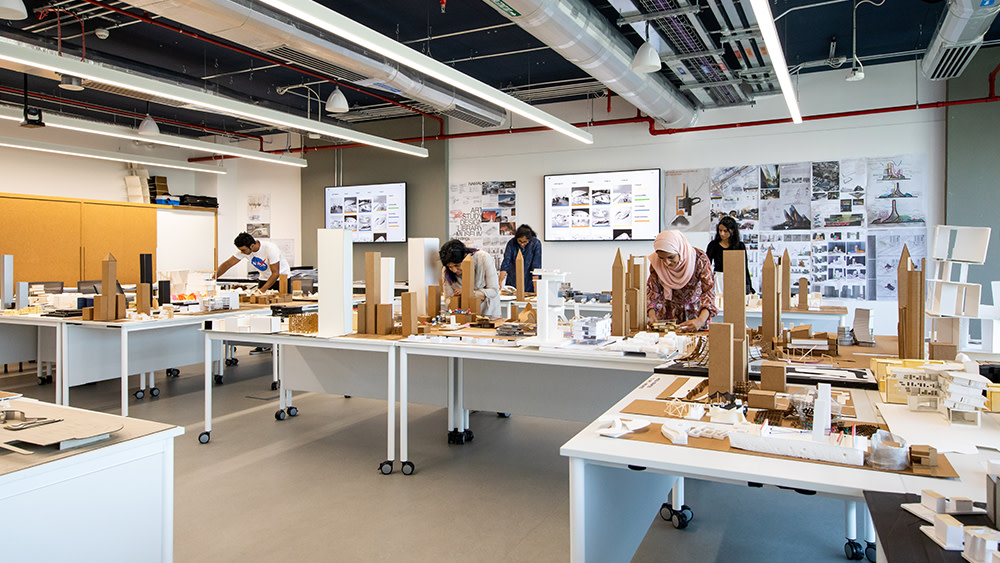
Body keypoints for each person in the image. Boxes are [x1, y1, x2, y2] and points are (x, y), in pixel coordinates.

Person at [646, 230, 717, 332]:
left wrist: (700, 321)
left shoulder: (699, 260)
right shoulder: (656, 263)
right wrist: (652, 316)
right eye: (662, 258)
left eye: (671, 257)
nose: (667, 263)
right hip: (669, 321)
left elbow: (708, 292)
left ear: (680, 250)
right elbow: (653, 292)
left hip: (696, 319)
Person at [439, 239, 500, 318]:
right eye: (450, 267)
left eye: (457, 265)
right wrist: (455, 300)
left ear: (464, 256)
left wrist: (469, 293)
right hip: (464, 315)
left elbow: (494, 290)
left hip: (488, 313)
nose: (454, 270)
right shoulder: (446, 271)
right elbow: (448, 299)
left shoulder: (483, 258)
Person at [215, 232, 290, 291]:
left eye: (243, 250)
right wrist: (213, 278)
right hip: (264, 278)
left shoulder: (270, 249)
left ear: (252, 246)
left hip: (281, 279)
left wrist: (262, 290)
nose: (242, 252)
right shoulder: (245, 250)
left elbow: (275, 273)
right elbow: (227, 264)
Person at [705, 216, 755, 294]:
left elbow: (744, 268)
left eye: (725, 231)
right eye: (720, 230)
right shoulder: (713, 245)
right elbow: (706, 266)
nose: (722, 234)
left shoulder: (740, 246)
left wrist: (749, 288)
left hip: (735, 279)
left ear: (732, 230)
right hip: (719, 279)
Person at [498, 224, 542, 293]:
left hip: (529, 281)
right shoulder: (511, 243)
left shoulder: (535, 243)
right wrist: (500, 282)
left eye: (525, 242)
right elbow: (506, 263)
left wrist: (536, 290)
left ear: (529, 239)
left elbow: (536, 267)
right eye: (520, 241)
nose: (522, 244)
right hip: (513, 279)